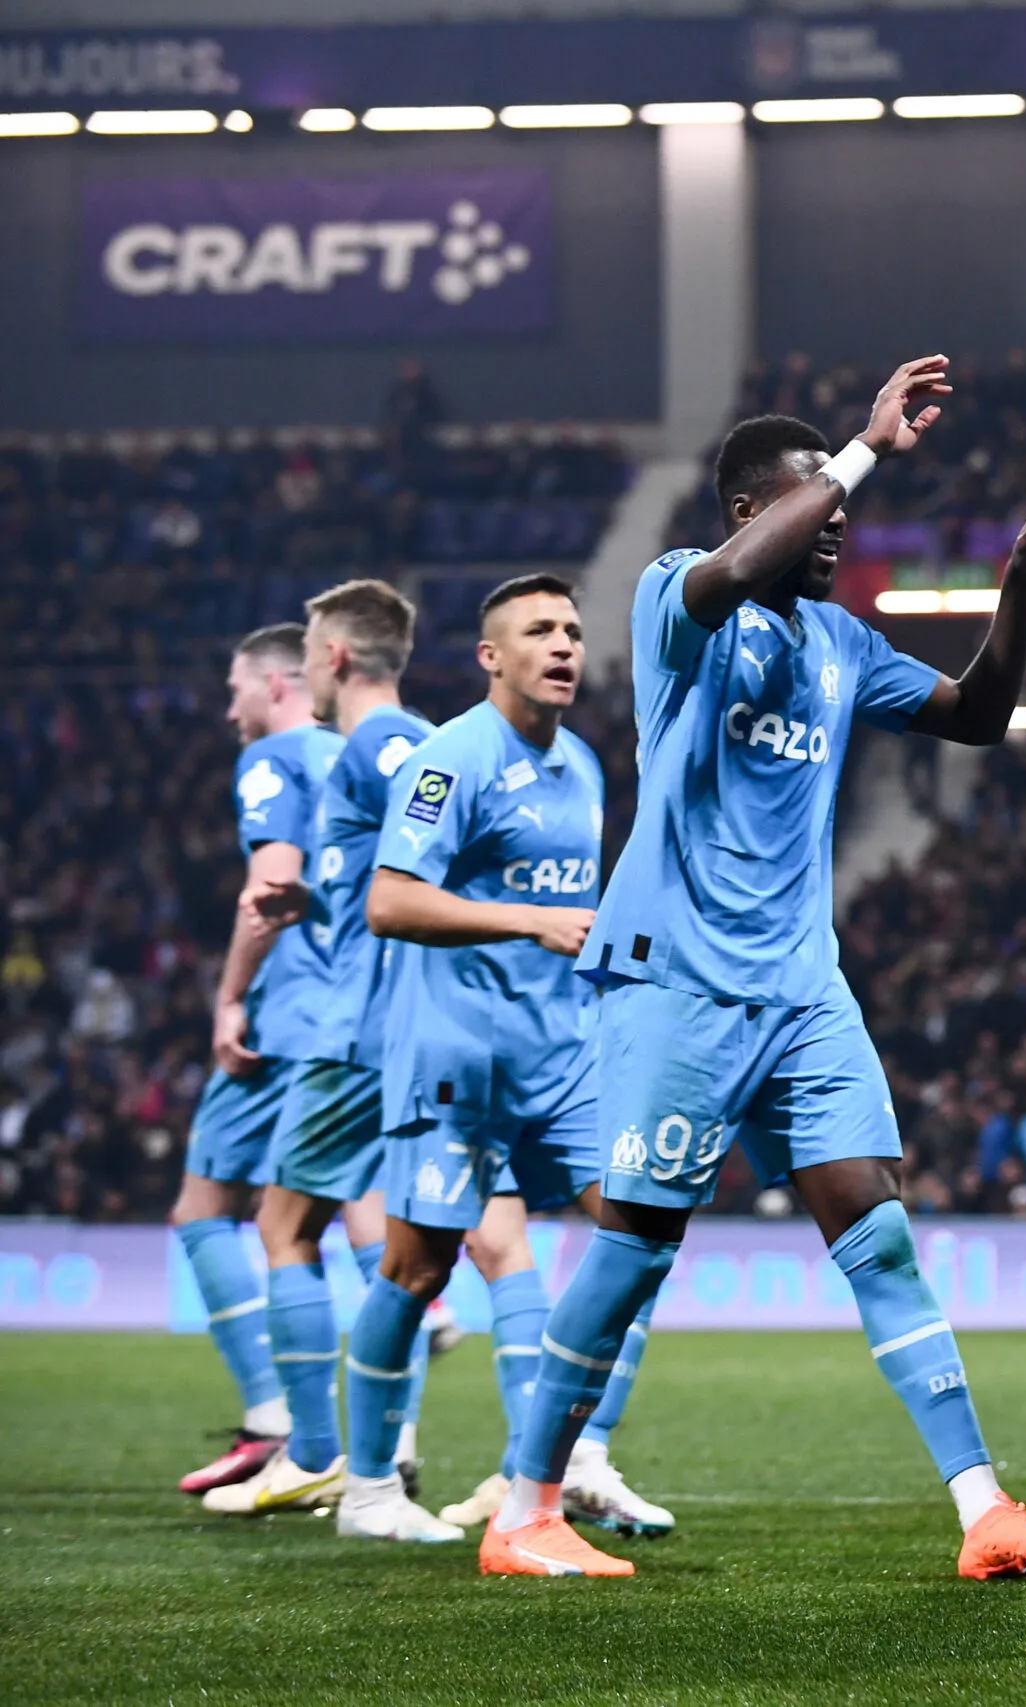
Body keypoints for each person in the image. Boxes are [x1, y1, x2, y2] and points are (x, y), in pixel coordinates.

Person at [484, 357, 1026, 1581]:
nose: (836, 522)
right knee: (635, 1246)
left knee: (878, 1237)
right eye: (811, 499)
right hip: (679, 981)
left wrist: (1020, 589)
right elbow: (727, 578)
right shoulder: (677, 598)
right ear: (750, 511)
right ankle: (525, 1511)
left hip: (802, 991)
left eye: (842, 502)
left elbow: (975, 715)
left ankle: (983, 1509)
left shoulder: (838, 639)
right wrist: (862, 449)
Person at [333, 575, 671, 1545]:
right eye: (538, 631)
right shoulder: (450, 759)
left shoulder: (585, 765)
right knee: (414, 1267)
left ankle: (572, 1457)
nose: (564, 644)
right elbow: (389, 902)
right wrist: (527, 920)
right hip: (456, 1062)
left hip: (563, 1059)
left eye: (571, 629)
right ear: (492, 656)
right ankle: (367, 1491)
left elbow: (582, 915)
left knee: (641, 1234)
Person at [206, 581, 437, 1518]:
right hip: (401, 1022)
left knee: (284, 1224)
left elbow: (440, 861)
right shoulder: (390, 746)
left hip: (355, 1028)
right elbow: (392, 873)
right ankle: (395, 1448)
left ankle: (313, 1451)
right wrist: (317, 903)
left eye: (308, 649)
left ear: (333, 657)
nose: (302, 665)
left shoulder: (381, 743)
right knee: (414, 1241)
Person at [171, 625, 346, 1495]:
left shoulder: (275, 755)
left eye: (235, 685)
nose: (227, 704)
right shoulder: (362, 749)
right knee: (340, 1218)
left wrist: (229, 996)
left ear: (277, 683)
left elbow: (268, 890)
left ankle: (279, 1420)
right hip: (360, 1014)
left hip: (286, 1017)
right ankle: (389, 1445)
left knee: (210, 1210)